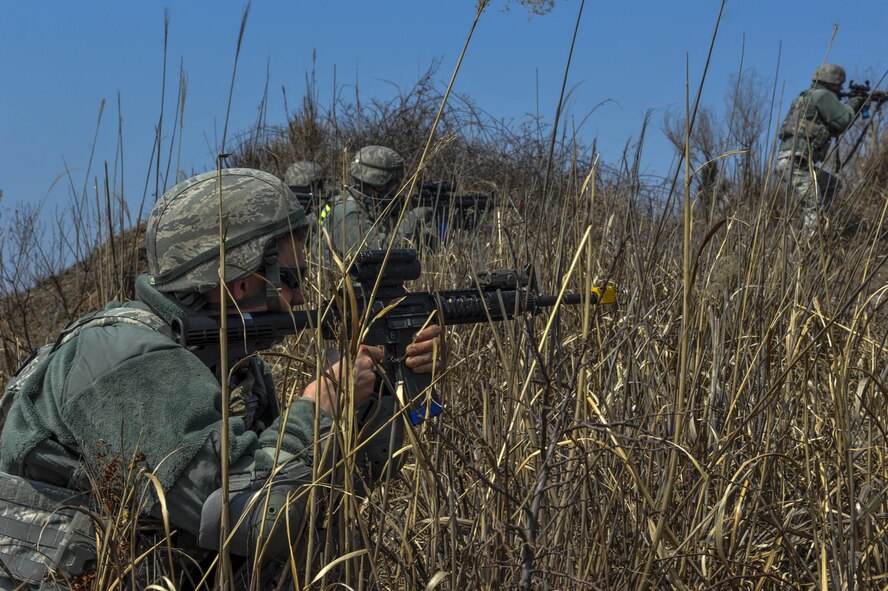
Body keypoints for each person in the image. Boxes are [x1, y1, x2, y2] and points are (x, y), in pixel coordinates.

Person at [0, 168, 442, 588]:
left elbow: (324, 495)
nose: (301, 297)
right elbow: (255, 520)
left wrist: (381, 391)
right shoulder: (128, 361)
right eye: (292, 278)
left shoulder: (229, 365)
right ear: (239, 281)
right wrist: (321, 406)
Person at [775, 64, 866, 235]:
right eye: (840, 85)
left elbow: (834, 127)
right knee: (814, 209)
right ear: (833, 82)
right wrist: (853, 105)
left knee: (831, 185)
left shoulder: (806, 96)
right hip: (797, 163)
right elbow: (843, 121)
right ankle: (806, 247)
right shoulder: (823, 95)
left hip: (791, 161)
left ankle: (807, 232)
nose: (841, 89)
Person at [317, 145, 435, 260]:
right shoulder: (348, 212)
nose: (398, 187)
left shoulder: (371, 203)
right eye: (392, 182)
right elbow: (379, 254)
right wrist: (414, 218)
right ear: (377, 183)